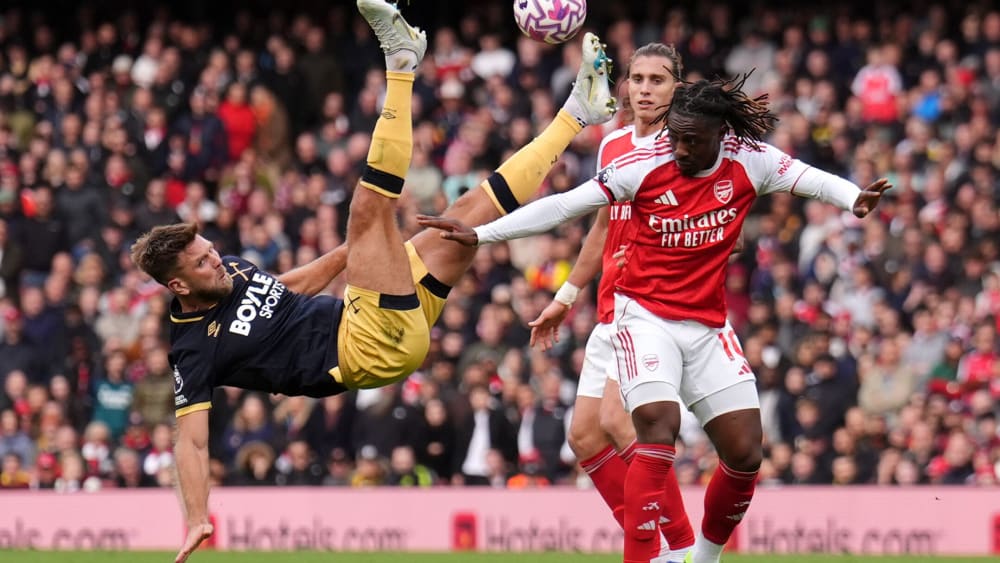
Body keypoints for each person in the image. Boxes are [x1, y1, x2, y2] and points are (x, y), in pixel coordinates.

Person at [128, 2, 618, 562]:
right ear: (178, 287)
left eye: (210, 251)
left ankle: (579, 112)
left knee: (468, 213)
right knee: (367, 205)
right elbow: (191, 443)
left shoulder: (231, 270)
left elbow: (290, 288)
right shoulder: (192, 349)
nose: (216, 261)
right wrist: (196, 517)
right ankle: (402, 64)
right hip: (364, 347)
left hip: (375, 319)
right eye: (201, 264)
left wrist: (352, 251)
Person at [418, 73, 892, 563]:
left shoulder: (751, 160)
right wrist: (483, 235)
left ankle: (700, 559)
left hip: (707, 326)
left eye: (692, 141)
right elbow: (564, 206)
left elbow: (811, 179)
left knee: (746, 453)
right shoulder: (642, 165)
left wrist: (852, 198)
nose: (680, 149)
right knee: (655, 422)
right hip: (643, 316)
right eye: (675, 137)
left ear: (720, 135)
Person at [527, 43, 694, 563]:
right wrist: (566, 295)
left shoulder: (686, 148)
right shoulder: (613, 145)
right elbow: (602, 225)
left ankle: (680, 547)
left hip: (652, 307)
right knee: (583, 436)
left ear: (677, 88)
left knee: (621, 421)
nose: (644, 89)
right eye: (636, 79)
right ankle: (658, 545)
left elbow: (712, 223)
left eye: (657, 80)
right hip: (609, 303)